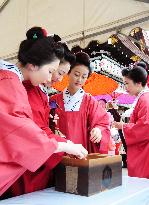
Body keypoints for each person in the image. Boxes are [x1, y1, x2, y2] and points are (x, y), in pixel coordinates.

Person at [0, 27, 88, 198]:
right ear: (33, 65)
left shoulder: (12, 81)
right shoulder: (10, 83)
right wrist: (63, 145)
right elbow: (22, 134)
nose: (51, 78)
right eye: (50, 71)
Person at [20, 30, 76, 194]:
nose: (58, 78)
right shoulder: (27, 90)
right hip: (29, 164)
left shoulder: (38, 90)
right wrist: (63, 145)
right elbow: (34, 133)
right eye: (57, 72)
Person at [50, 52, 111, 154]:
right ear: (68, 73)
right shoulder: (53, 100)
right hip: (59, 152)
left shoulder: (90, 102)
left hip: (82, 152)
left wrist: (98, 130)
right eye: (76, 74)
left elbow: (102, 122)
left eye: (84, 77)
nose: (79, 80)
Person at [113, 64, 149, 178]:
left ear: (138, 83)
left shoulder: (145, 100)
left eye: (127, 83)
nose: (125, 87)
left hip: (144, 151)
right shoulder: (143, 98)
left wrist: (123, 126)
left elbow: (145, 127)